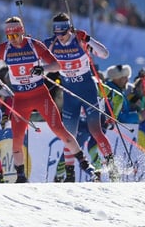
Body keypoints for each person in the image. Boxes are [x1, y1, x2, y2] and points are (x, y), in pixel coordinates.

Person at [0, 16, 96, 183]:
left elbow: (57, 65)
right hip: (20, 99)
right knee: (17, 139)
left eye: (16, 35)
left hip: (40, 95)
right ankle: (20, 177)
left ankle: (85, 163)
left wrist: (43, 69)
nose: (14, 40)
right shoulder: (4, 49)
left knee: (59, 129)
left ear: (22, 31)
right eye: (9, 36)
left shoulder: (35, 45)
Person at [42, 12, 116, 181]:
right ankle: (70, 174)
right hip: (70, 94)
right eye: (57, 33)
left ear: (69, 29)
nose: (60, 37)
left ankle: (112, 167)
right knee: (69, 135)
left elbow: (104, 54)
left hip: (87, 91)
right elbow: (36, 58)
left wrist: (88, 39)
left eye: (63, 32)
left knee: (95, 130)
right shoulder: (51, 44)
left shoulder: (79, 41)